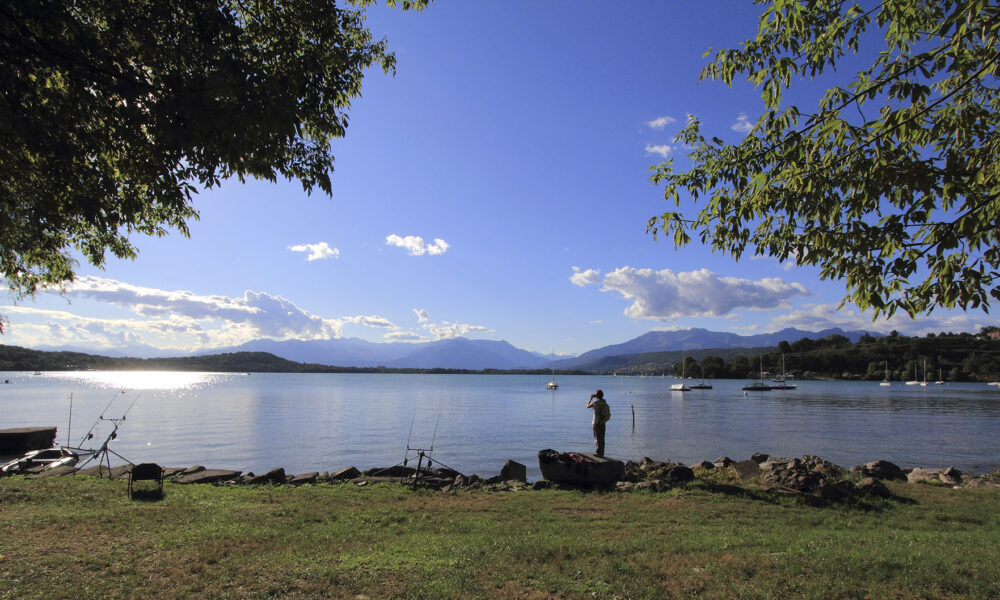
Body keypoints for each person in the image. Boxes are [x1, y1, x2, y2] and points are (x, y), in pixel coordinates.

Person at [586, 389, 611, 457]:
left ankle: (598, 453)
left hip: (596, 422)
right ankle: (602, 453)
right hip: (603, 422)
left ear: (596, 396)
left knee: (597, 438)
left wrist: (591, 398)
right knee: (602, 438)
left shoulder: (595, 403)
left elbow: (587, 406)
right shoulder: (604, 402)